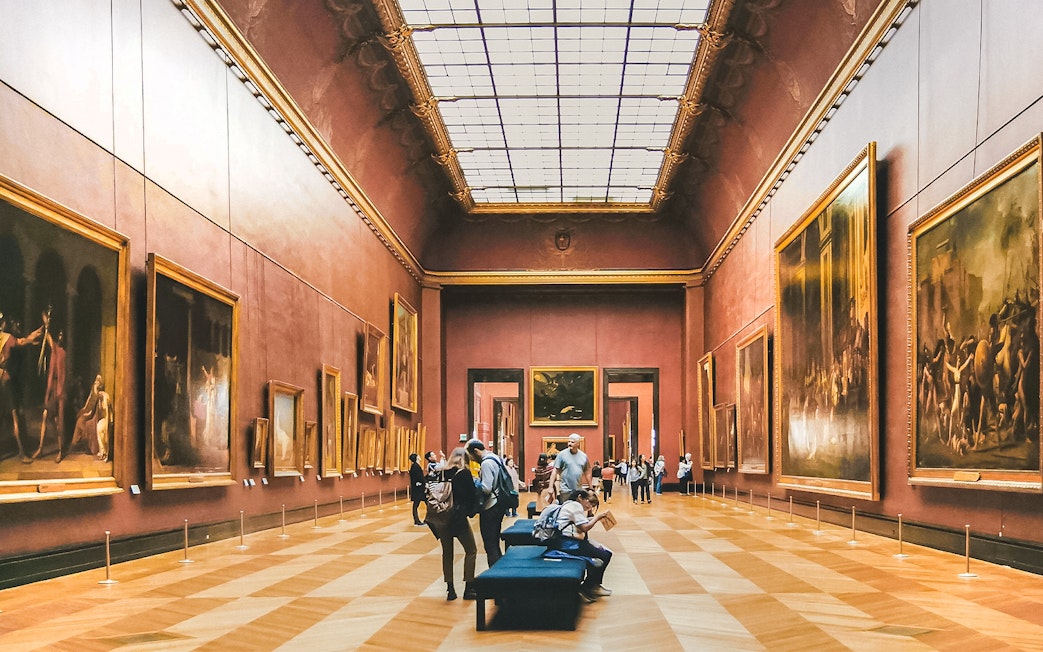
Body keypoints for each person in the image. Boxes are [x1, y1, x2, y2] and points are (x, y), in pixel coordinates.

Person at [545, 488, 613, 602]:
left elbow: (580, 524)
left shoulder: (569, 505)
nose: (589, 505)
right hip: (568, 544)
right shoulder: (575, 507)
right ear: (580, 498)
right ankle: (589, 586)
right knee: (605, 555)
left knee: (603, 552)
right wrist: (597, 517)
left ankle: (592, 585)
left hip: (568, 542)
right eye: (588, 500)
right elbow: (584, 527)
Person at [429, 447, 479, 601]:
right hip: (458, 518)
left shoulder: (442, 472)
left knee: (447, 553)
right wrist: (471, 512)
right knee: (471, 550)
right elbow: (471, 496)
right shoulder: (464, 473)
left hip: (442, 517)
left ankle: (450, 589)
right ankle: (468, 587)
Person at [0, 311, 46, 462]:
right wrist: (34, 335)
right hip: (6, 380)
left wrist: (31, 340)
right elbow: (22, 342)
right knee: (16, 416)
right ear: (4, 324)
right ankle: (22, 453)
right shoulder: (8, 338)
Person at [466, 438, 509, 567]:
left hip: (490, 507)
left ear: (476, 451)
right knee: (495, 542)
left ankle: (494, 576)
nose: (473, 460)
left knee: (490, 545)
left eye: (472, 457)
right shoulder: (495, 458)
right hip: (499, 504)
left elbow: (486, 488)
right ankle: (500, 571)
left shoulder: (486, 463)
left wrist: (474, 481)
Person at [549, 433, 590, 504]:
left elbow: (587, 472)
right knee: (566, 510)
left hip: (578, 489)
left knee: (577, 510)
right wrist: (550, 487)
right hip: (565, 490)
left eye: (572, 442)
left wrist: (591, 487)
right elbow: (555, 471)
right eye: (569, 441)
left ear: (578, 444)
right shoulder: (561, 455)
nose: (570, 444)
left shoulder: (583, 456)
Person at [408, 452, 425, 526]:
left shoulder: (415, 466)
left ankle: (419, 520)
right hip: (418, 489)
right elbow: (419, 477)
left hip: (418, 488)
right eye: (418, 456)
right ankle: (417, 520)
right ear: (417, 458)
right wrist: (425, 482)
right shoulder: (415, 466)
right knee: (416, 505)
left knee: (417, 504)